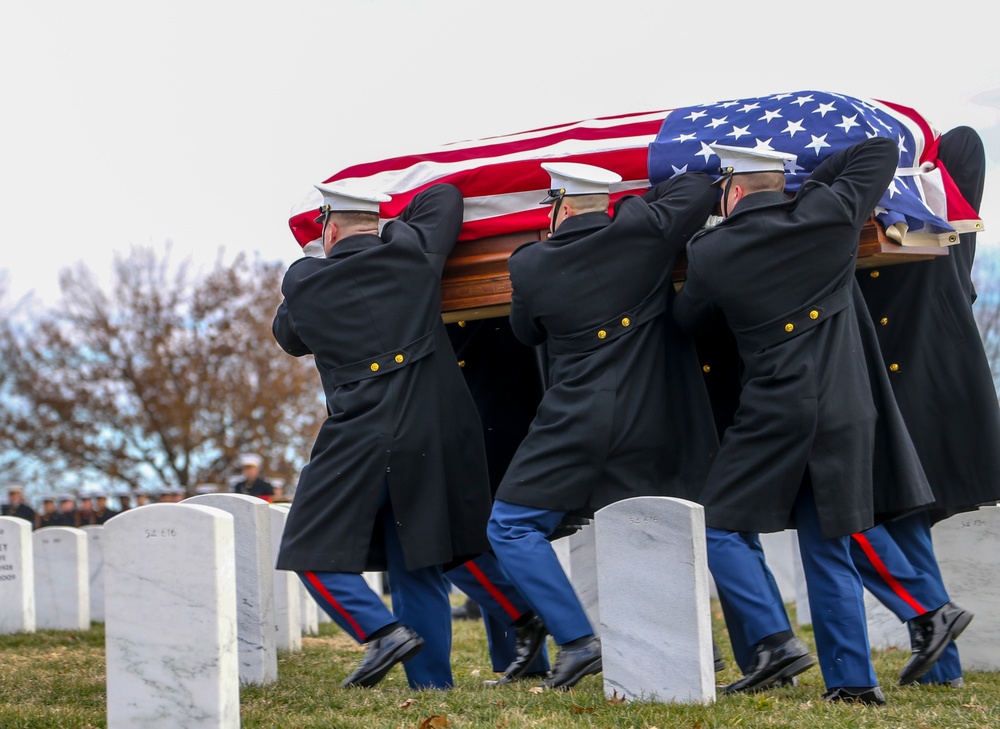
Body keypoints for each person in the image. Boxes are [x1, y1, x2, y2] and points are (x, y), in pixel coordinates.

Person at [673, 138, 934, 705]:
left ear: (732, 191)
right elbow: (880, 149)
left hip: (777, 406)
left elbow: (688, 318)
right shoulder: (829, 213)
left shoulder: (713, 251)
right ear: (779, 184)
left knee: (716, 525)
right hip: (846, 407)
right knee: (829, 542)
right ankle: (853, 683)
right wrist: (806, 184)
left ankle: (773, 639)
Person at [488, 161, 719, 689]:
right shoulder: (644, 228)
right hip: (655, 414)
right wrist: (639, 194)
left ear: (560, 207)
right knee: (657, 528)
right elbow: (699, 185)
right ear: (605, 203)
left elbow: (526, 333)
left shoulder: (529, 264)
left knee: (511, 525)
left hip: (576, 417)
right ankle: (705, 651)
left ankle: (577, 641)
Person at [272, 181, 494, 690]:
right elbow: (445, 198)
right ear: (376, 222)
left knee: (307, 545)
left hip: (362, 428)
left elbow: (289, 336)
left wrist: (316, 256)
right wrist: (394, 221)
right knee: (417, 559)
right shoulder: (413, 251)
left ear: (327, 228)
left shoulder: (305, 280)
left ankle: (380, 632)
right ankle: (433, 683)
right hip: (430, 428)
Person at [849, 125, 998, 688]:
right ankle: (942, 663)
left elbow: (963, 144)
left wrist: (905, 144)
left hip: (925, 396)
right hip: (886, 395)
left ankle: (932, 631)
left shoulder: (946, 225)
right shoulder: (863, 231)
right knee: (902, 523)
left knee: (855, 516)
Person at [444, 317, 551, 685]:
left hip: (498, 410)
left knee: (458, 541)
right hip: (472, 412)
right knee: (484, 540)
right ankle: (524, 659)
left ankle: (527, 619)